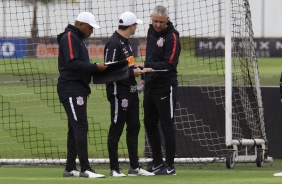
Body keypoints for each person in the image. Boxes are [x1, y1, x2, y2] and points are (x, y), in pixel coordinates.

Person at [57, 12, 108, 178]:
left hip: (78, 88)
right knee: (80, 126)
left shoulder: (77, 39)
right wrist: (94, 67)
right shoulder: (70, 37)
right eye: (90, 27)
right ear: (80, 24)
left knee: (74, 128)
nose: (91, 31)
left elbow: (80, 65)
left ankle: (70, 168)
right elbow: (72, 63)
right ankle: (85, 168)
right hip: (71, 89)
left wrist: (96, 69)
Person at [104, 12, 155, 177]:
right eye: (135, 25)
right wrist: (132, 72)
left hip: (131, 91)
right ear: (131, 25)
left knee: (134, 127)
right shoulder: (113, 43)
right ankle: (114, 169)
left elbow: (129, 66)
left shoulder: (126, 42)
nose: (136, 28)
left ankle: (134, 167)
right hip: (119, 92)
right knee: (116, 128)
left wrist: (140, 70)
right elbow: (109, 70)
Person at [134, 5, 181, 175]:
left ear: (167, 20)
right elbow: (150, 57)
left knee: (166, 125)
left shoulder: (172, 37)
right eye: (155, 21)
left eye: (161, 22)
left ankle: (169, 166)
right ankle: (157, 161)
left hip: (165, 87)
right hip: (150, 86)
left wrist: (146, 66)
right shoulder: (150, 31)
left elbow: (169, 65)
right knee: (149, 123)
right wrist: (144, 77)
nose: (158, 25)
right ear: (151, 18)